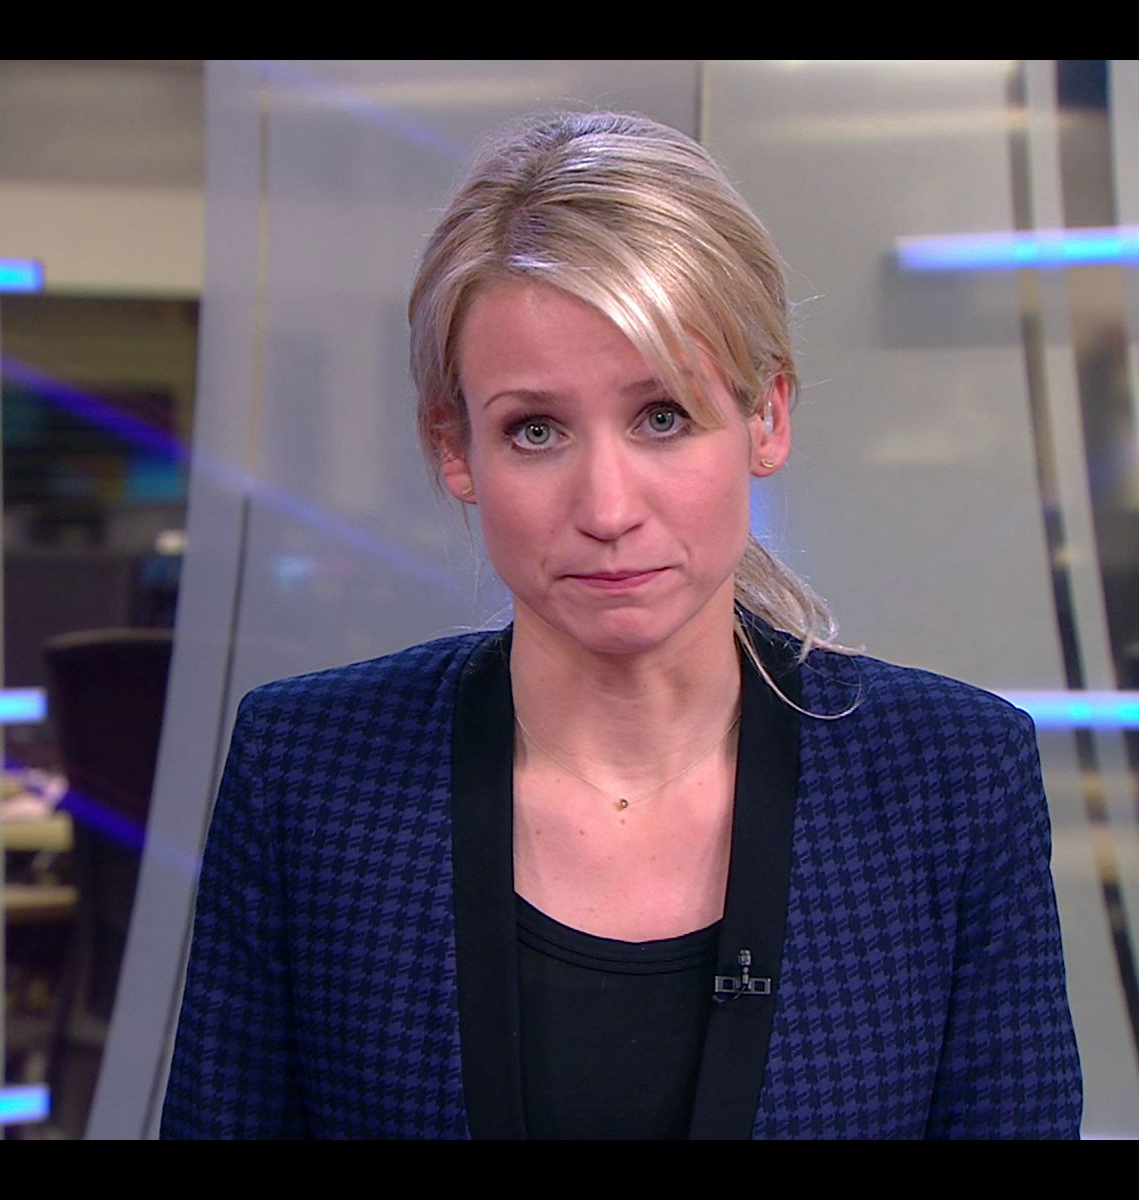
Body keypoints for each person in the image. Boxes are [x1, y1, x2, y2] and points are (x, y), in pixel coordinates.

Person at [159, 110, 1082, 1139]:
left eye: (663, 417)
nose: (606, 507)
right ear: (454, 447)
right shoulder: (308, 774)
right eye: (535, 430)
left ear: (767, 417)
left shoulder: (951, 781)